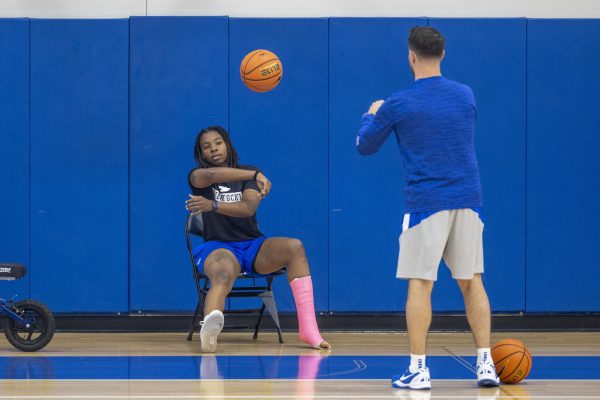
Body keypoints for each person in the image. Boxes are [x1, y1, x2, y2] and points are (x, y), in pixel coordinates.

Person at [356, 27, 499, 389]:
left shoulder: (398, 103)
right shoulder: (465, 95)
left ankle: (418, 370)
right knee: (472, 282)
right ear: (443, 53)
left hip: (426, 202)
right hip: (469, 199)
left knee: (421, 285)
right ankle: (486, 365)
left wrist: (371, 115)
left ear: (411, 56)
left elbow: (365, 145)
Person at [185, 125, 330, 353]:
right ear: (201, 154)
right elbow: (213, 175)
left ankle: (309, 330)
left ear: (228, 144)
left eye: (218, 143)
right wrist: (254, 175)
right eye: (206, 146)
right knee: (223, 272)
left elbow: (248, 208)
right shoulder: (197, 177)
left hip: (252, 246)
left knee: (294, 247)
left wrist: (213, 205)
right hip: (217, 247)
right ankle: (209, 333)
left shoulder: (248, 172)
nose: (213, 149)